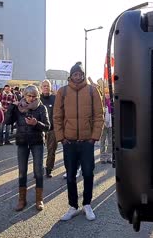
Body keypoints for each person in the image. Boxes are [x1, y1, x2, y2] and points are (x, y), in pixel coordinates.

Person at [54, 62, 104, 221]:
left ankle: (87, 204)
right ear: (71, 76)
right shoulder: (62, 92)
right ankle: (73, 206)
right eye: (75, 74)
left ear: (83, 75)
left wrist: (94, 137)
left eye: (80, 74)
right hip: (69, 142)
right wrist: (61, 138)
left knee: (88, 173)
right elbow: (57, 117)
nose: (78, 76)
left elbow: (99, 116)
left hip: (87, 142)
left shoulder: (92, 90)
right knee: (70, 176)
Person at [6, 85, 50, 211]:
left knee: (38, 171)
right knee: (22, 171)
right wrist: (11, 107)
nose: (31, 98)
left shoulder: (41, 107)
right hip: (22, 141)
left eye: (34, 96)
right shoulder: (17, 107)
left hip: (37, 141)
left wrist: (36, 123)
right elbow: (7, 122)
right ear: (24, 95)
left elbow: (47, 127)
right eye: (29, 96)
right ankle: (22, 200)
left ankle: (39, 199)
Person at [41, 80, 58, 178]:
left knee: (51, 150)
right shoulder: (37, 99)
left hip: (52, 129)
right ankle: (38, 169)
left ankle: (49, 169)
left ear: (50, 87)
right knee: (38, 151)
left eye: (47, 86)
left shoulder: (55, 98)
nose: (46, 87)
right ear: (41, 88)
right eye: (44, 86)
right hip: (39, 129)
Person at [100, 88, 113, 164]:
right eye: (106, 93)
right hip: (103, 124)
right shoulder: (102, 102)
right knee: (102, 141)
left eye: (108, 93)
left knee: (110, 141)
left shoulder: (112, 101)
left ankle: (109, 157)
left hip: (111, 124)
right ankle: (102, 157)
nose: (107, 94)